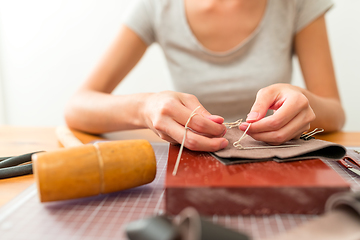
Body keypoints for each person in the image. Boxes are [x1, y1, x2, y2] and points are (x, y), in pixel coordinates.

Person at [65, 0, 345, 152]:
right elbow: (78, 107)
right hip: (189, 166)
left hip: (280, 167)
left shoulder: (297, 4)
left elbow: (335, 112)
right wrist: (145, 107)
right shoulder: (156, 7)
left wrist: (304, 101)